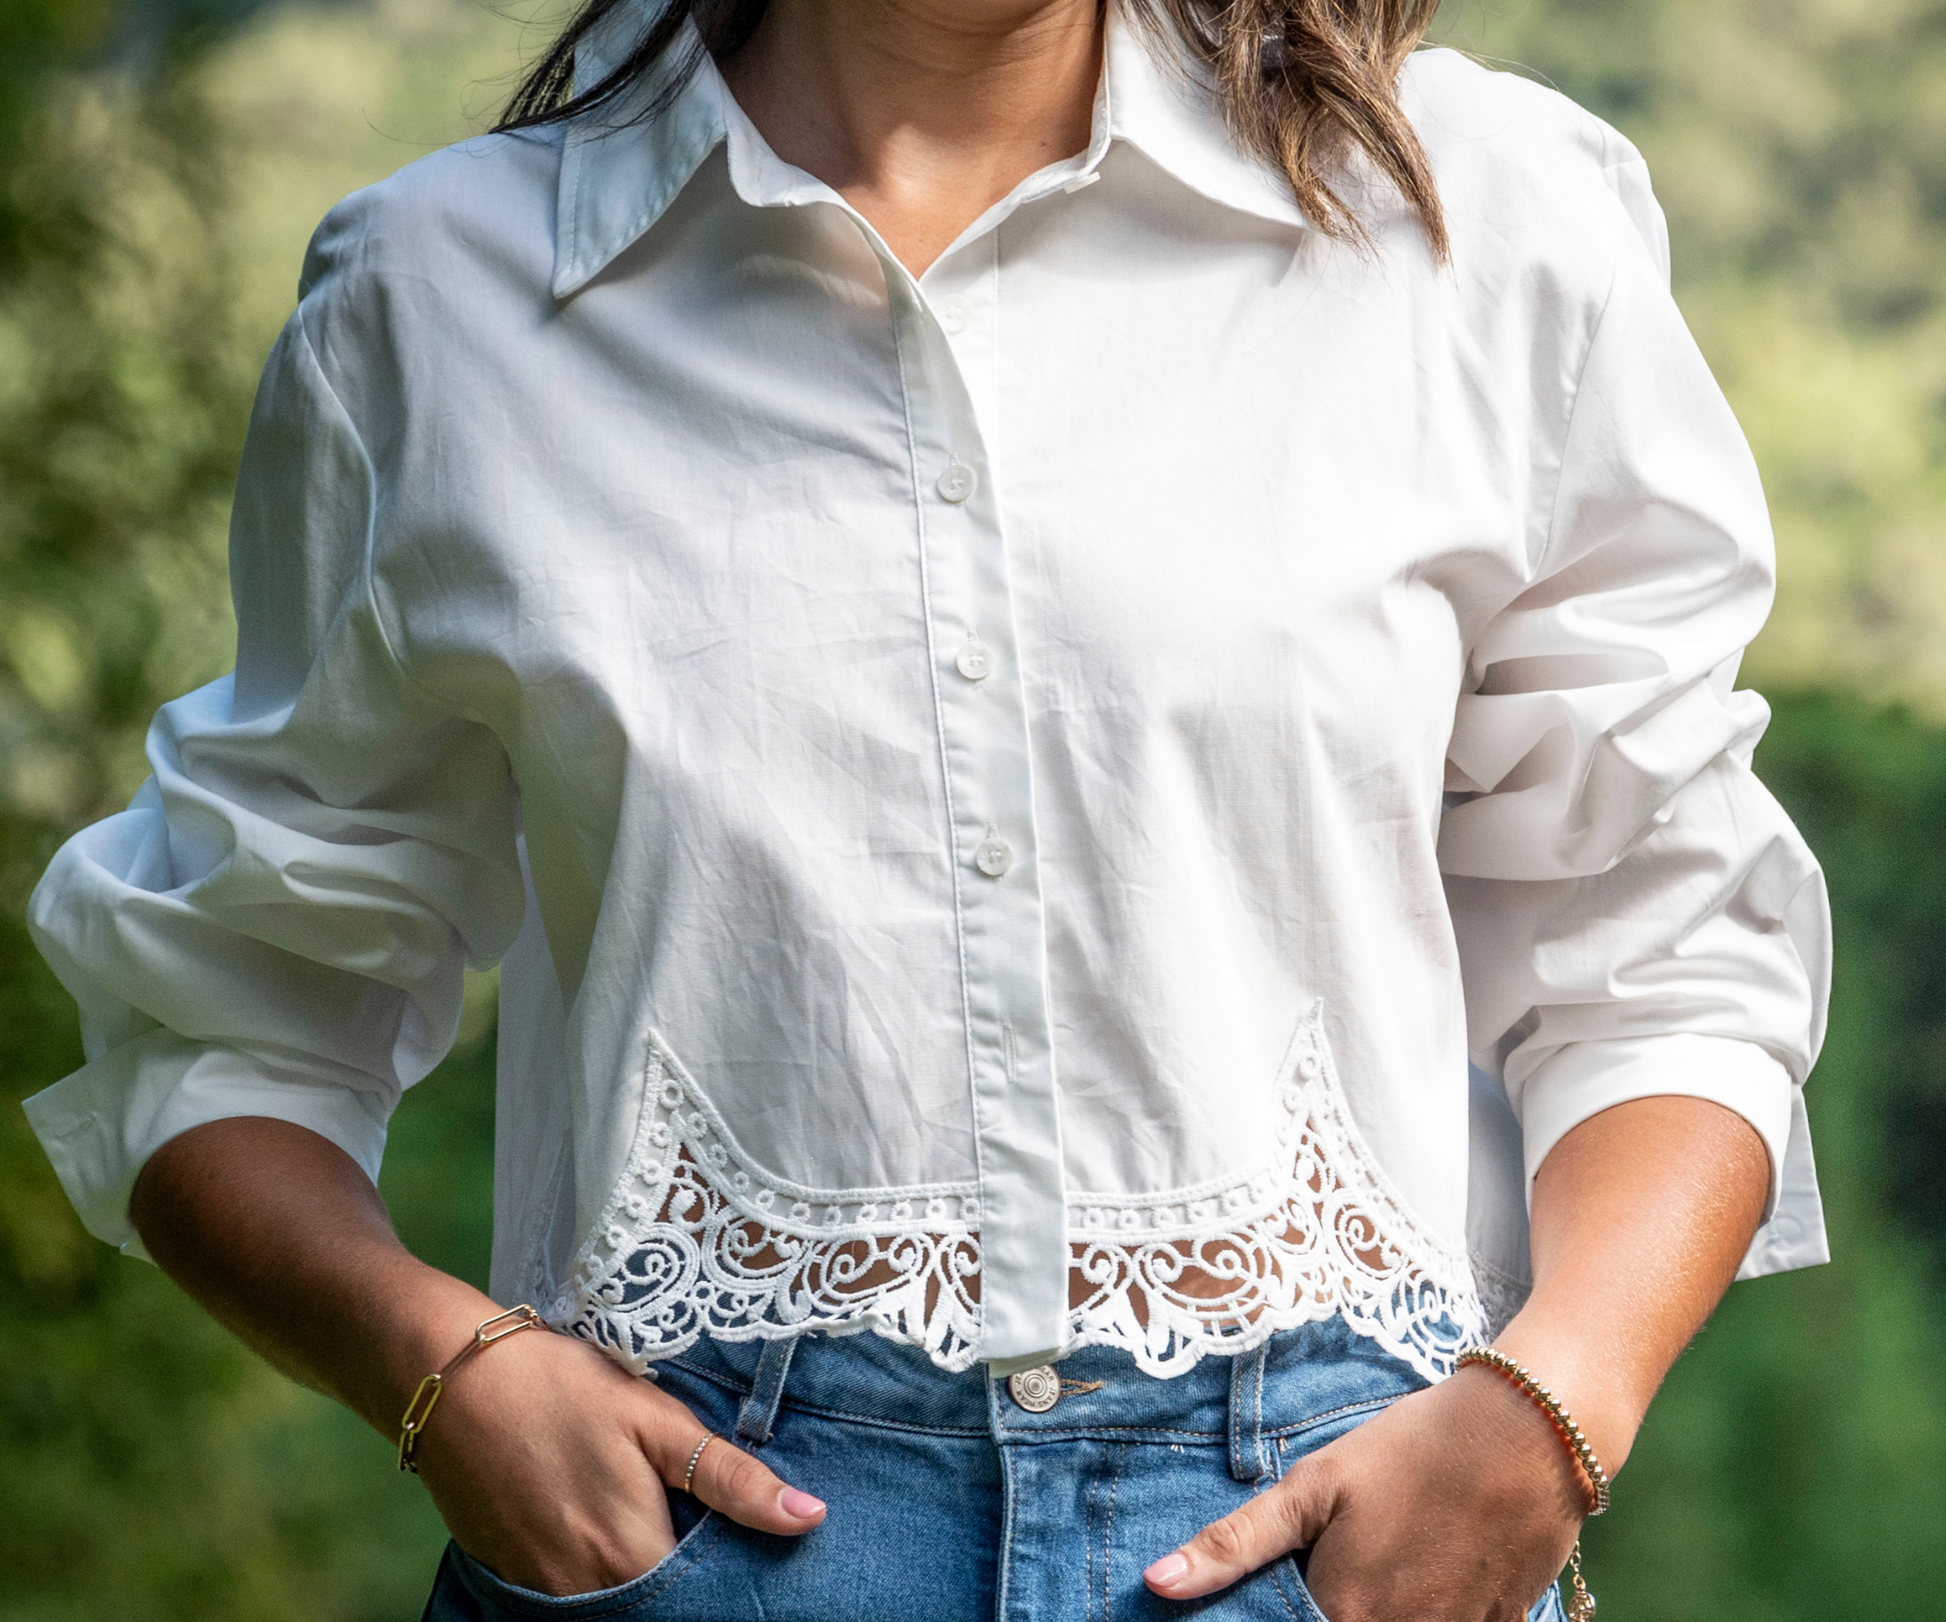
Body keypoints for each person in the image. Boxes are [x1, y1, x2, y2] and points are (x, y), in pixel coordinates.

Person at [22, 0, 1831, 1617]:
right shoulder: (440, 302)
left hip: (1352, 1529)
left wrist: (1548, 1412)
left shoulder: (1471, 222)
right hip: (690, 1539)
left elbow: (1662, 944)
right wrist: (439, 1370)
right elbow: (220, 1013)